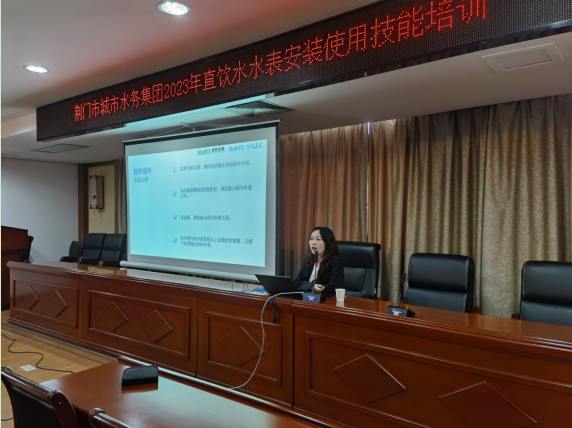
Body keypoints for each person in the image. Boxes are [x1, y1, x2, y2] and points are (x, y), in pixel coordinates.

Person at [294, 227, 344, 295]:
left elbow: (334, 287)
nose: (313, 242)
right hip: (305, 298)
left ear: (328, 242)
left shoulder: (335, 262)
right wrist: (312, 287)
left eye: (318, 239)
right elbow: (297, 282)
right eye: (311, 239)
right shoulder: (306, 260)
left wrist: (318, 288)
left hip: (324, 299)